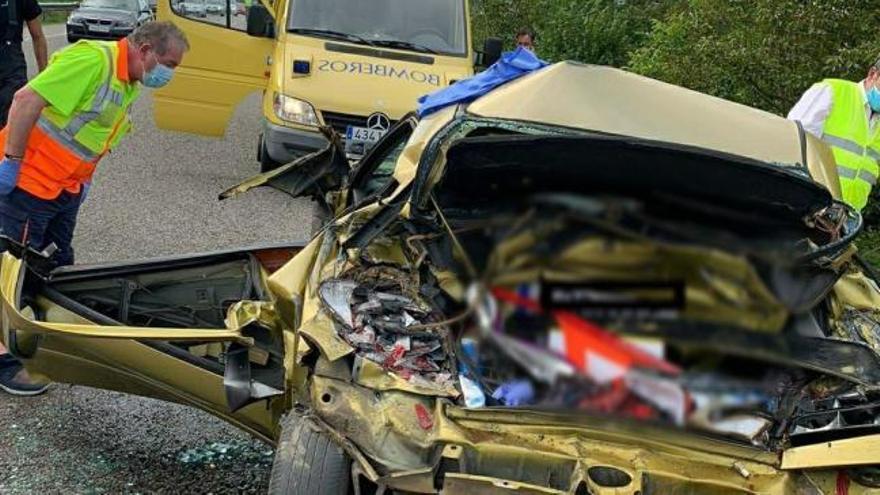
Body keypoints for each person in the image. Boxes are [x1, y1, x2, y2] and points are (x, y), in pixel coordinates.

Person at [0, 21, 189, 396]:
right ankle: (5, 358)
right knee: (11, 272)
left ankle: (38, 335)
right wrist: (11, 161)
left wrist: (82, 183)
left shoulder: (128, 80)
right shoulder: (93, 61)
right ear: (146, 49)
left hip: (63, 189)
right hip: (29, 185)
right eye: (169, 63)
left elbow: (89, 137)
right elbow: (26, 100)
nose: (169, 73)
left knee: (54, 266)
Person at [788, 60, 880, 212]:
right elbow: (793, 142)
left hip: (845, 217)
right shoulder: (832, 91)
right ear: (872, 74)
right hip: (806, 206)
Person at [0, 0, 48, 129]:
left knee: (11, 126)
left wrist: (44, 79)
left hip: (11, 70)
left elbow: (38, 37)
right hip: (12, 68)